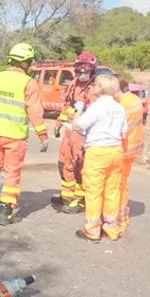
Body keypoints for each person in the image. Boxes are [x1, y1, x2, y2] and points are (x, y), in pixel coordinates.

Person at [0, 43, 49, 226]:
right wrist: (42, 134)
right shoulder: (28, 83)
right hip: (15, 137)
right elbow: (35, 111)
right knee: (12, 173)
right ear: (24, 63)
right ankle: (6, 211)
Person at [72, 74, 127, 243]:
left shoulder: (96, 107)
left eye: (95, 85)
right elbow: (124, 133)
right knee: (112, 191)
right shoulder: (119, 108)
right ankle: (111, 228)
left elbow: (77, 126)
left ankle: (93, 231)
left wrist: (78, 111)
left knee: (94, 192)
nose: (93, 87)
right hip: (116, 151)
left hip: (98, 152)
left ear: (100, 88)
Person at [54, 52, 98, 214]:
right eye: (80, 68)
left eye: (86, 69)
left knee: (79, 165)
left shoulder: (94, 89)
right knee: (64, 162)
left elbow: (94, 114)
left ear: (93, 69)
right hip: (69, 130)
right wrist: (59, 122)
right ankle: (67, 195)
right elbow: (67, 105)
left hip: (83, 133)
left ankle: (79, 200)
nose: (82, 72)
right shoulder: (74, 84)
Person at [115, 75, 144, 234]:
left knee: (117, 185)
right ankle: (121, 215)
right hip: (133, 148)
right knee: (123, 183)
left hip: (122, 149)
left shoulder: (121, 104)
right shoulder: (135, 99)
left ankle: (118, 216)